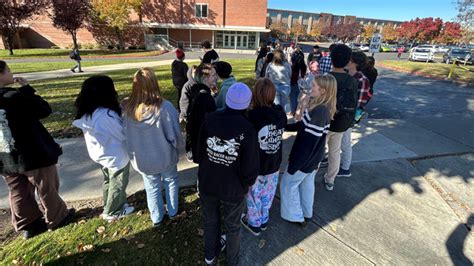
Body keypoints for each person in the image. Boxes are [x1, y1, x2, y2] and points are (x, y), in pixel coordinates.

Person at [0, 60, 75, 239]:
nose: (11, 73)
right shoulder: (14, 97)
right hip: (32, 152)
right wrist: (27, 88)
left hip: (5, 155)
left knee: (18, 190)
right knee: (46, 186)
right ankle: (57, 217)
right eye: (8, 70)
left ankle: (28, 223)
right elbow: (43, 110)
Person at [195, 82, 259, 265]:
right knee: (232, 227)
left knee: (210, 222)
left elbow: (200, 153)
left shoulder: (210, 119)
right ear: (247, 103)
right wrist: (246, 185)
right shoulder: (247, 129)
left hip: (209, 182)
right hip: (233, 189)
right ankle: (231, 261)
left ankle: (210, 257)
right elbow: (250, 168)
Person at [122, 68, 182, 226]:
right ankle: (173, 211)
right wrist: (177, 147)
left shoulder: (128, 109)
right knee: (170, 180)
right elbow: (175, 135)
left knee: (152, 187)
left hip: (143, 159)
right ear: (154, 84)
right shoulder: (165, 108)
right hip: (165, 156)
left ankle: (157, 217)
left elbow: (126, 134)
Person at [73, 75, 134, 222]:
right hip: (115, 156)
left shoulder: (91, 111)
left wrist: (121, 108)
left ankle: (110, 203)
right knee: (118, 183)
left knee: (109, 181)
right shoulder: (106, 116)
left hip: (103, 154)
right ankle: (113, 211)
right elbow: (121, 134)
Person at [280, 74, 337, 225]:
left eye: (313, 87)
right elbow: (303, 126)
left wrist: (296, 164)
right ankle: (306, 212)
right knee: (306, 184)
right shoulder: (317, 105)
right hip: (312, 158)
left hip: (306, 158)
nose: (310, 88)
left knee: (288, 184)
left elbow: (309, 142)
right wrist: (285, 126)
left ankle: (296, 216)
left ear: (323, 91)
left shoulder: (320, 111)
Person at [241, 78, 287, 236]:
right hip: (273, 163)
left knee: (253, 194)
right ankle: (264, 218)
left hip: (256, 165)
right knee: (268, 193)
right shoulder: (280, 113)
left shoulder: (251, 116)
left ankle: (254, 222)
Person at [324, 44, 359, 191]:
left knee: (318, 151)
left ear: (331, 58)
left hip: (324, 121)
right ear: (347, 61)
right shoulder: (352, 81)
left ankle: (310, 176)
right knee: (334, 152)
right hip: (341, 122)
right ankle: (330, 179)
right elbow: (354, 102)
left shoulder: (325, 79)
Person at [337, 52, 371, 179]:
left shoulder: (362, 80)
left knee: (345, 142)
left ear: (354, 62)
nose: (347, 60)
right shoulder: (346, 75)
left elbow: (360, 103)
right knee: (336, 140)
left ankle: (345, 168)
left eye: (349, 59)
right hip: (339, 113)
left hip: (348, 116)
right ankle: (332, 159)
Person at [186, 63, 218, 163]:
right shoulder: (205, 97)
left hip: (198, 145)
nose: (216, 78)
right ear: (204, 78)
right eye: (213, 75)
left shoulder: (197, 92)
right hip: (204, 148)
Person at [289, 48, 307, 115]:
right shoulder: (304, 66)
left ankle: (293, 110)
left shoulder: (293, 67)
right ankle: (296, 109)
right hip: (300, 84)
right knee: (297, 97)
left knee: (292, 98)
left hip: (293, 83)